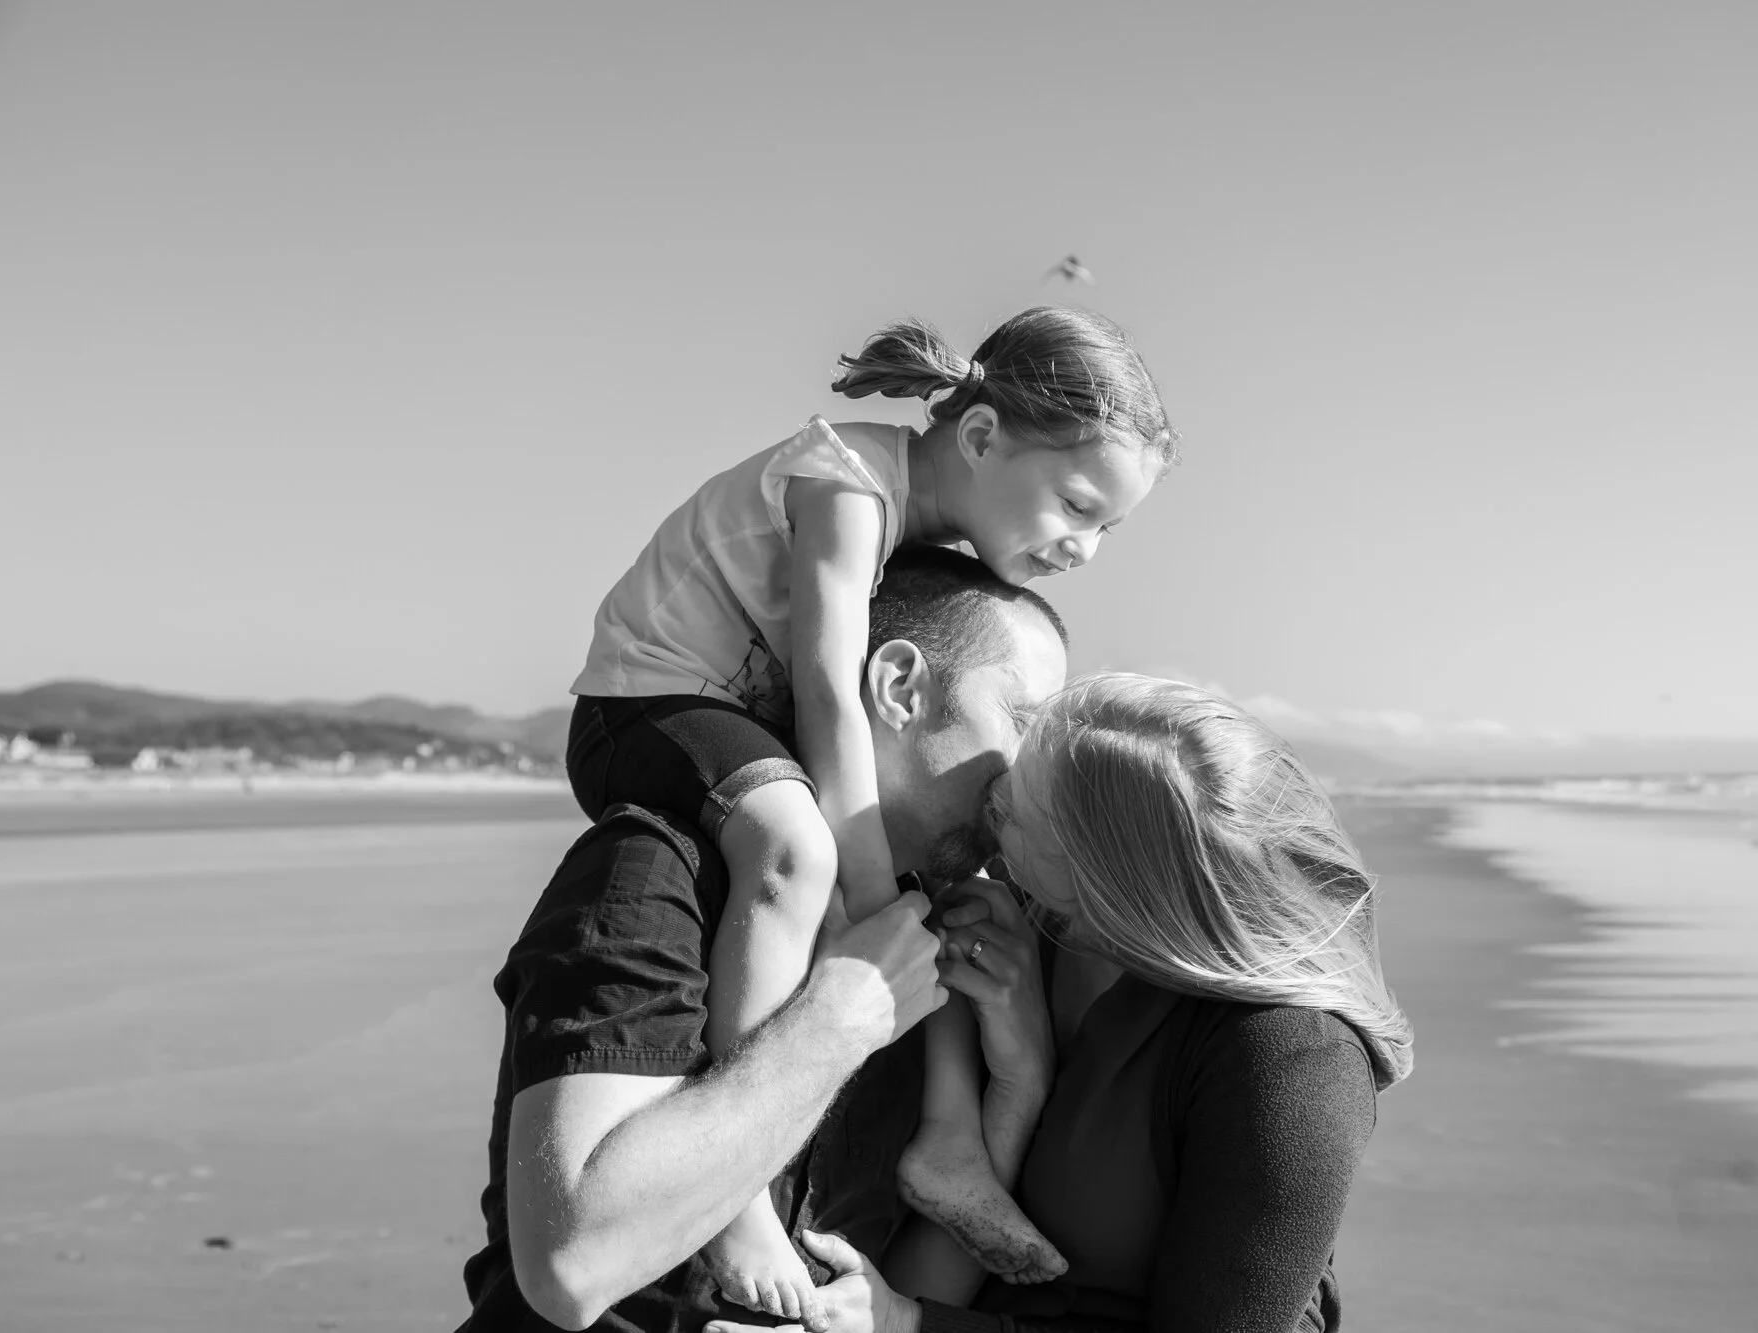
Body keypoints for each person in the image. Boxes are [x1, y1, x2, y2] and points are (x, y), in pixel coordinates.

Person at [566, 307, 1176, 1311]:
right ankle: (743, 1199)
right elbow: (826, 686)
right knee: (795, 848)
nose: (1086, 546)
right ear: (979, 438)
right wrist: (857, 891)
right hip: (650, 700)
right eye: (1076, 505)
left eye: (1107, 526)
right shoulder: (846, 481)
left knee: (928, 879)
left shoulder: (931, 530)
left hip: (737, 715)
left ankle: (947, 1139)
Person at [461, 547, 1072, 1332]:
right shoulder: (661, 869)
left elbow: (895, 1287)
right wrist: (839, 1016)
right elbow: (572, 1264)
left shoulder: (934, 931)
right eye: (1022, 720)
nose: (1028, 768)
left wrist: (1021, 1086)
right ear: (899, 687)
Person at [706, 675, 1415, 1333]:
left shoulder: (1293, 1064)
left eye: (1018, 810)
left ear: (1106, 877)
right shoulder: (1025, 929)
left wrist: (907, 1322)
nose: (992, 804)